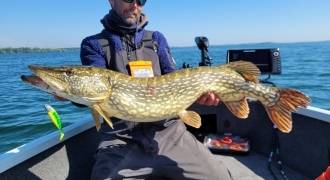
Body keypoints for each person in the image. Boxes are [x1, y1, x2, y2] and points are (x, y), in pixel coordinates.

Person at [80, 0, 232, 179]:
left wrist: (203, 94)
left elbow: (174, 81)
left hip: (170, 133)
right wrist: (69, 94)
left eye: (141, 0)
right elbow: (93, 91)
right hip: (120, 140)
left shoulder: (156, 39)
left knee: (220, 176)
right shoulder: (93, 44)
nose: (135, 5)